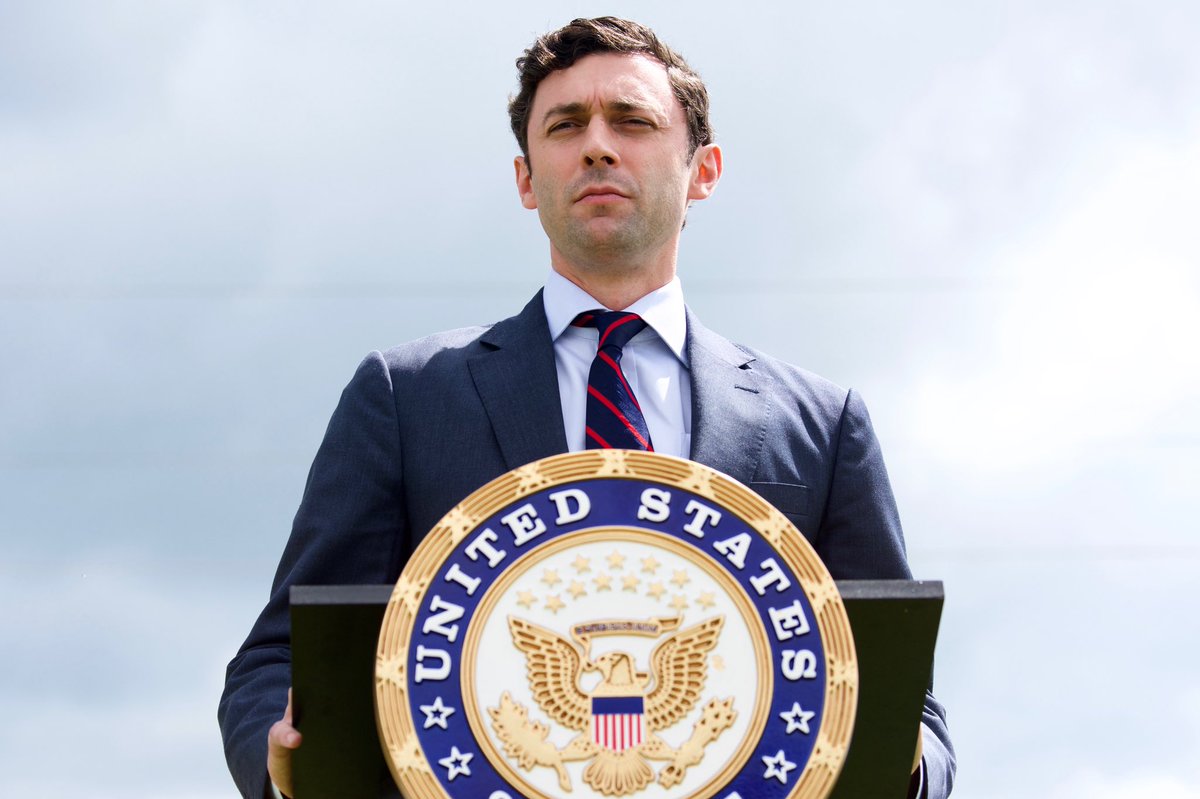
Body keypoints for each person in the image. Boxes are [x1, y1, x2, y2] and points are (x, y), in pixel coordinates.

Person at [219, 16, 956, 799]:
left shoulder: (818, 424)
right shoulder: (406, 398)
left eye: (632, 121)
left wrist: (900, 756)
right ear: (527, 178)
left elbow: (912, 709)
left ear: (702, 169)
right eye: (566, 126)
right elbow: (278, 661)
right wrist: (285, 753)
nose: (597, 145)